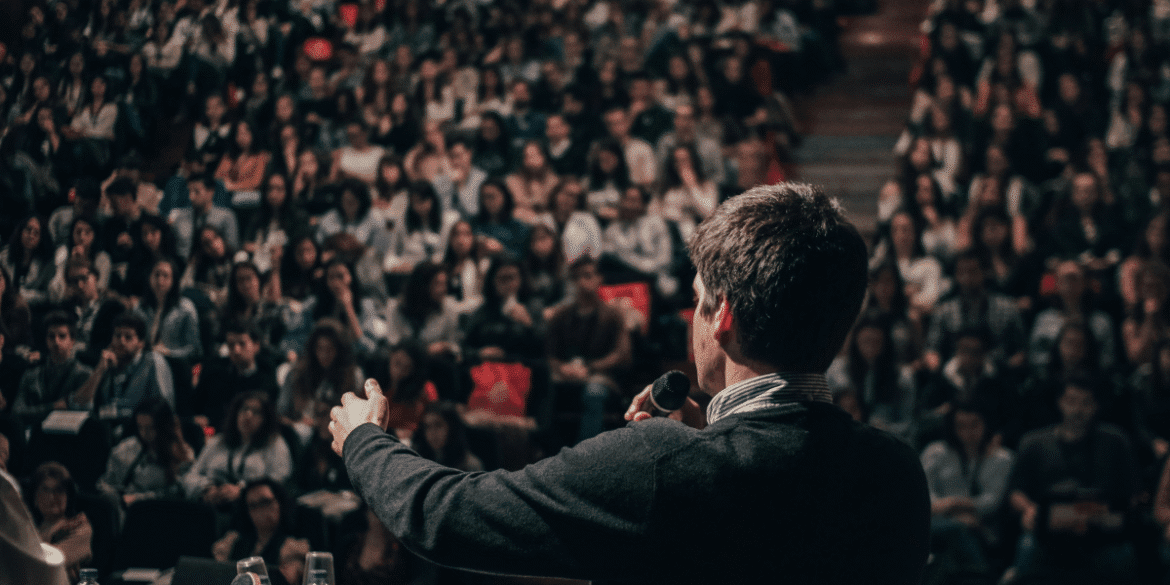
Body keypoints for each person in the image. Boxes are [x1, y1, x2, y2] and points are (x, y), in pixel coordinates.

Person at [328, 183, 931, 584]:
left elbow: (443, 516)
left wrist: (365, 440)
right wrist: (711, 439)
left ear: (722, 317)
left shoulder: (658, 466)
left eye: (696, 302)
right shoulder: (895, 473)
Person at [97, 398, 194, 507]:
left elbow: (179, 492)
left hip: (157, 510)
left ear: (163, 427)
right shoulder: (126, 447)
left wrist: (138, 499)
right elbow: (107, 481)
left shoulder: (181, 453)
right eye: (140, 427)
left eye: (150, 428)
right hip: (121, 507)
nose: (144, 433)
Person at [12, 311, 92, 425]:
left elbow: (84, 413)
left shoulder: (83, 374)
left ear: (72, 340)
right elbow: (17, 412)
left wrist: (38, 411)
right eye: (51, 336)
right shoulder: (32, 374)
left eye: (62, 336)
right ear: (46, 340)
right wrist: (53, 407)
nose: (56, 342)